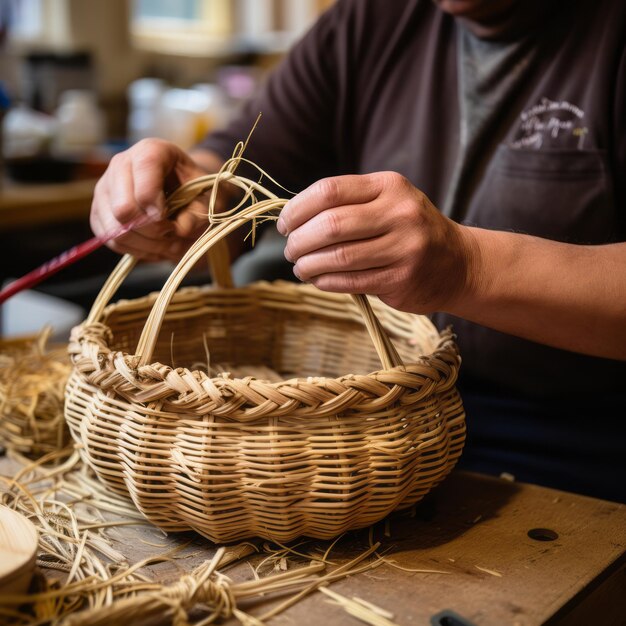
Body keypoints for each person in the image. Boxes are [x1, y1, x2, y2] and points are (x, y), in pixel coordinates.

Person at [90, 0, 626, 503]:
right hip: (381, 415)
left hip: (578, 446)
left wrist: (469, 268)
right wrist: (181, 192)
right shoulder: (374, 18)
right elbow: (233, 172)